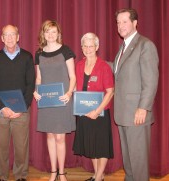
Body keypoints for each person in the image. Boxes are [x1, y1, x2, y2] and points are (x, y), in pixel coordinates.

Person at [113, 8, 159, 181]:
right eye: (118, 22)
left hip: (136, 114)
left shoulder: (145, 45)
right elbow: (119, 72)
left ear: (134, 23)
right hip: (124, 114)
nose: (120, 25)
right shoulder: (124, 47)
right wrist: (95, 62)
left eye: (124, 21)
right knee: (129, 160)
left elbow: (151, 81)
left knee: (138, 161)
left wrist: (143, 108)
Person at [0, 25, 35, 181]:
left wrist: (22, 108)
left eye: (12, 34)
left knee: (21, 148)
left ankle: (21, 175)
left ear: (18, 37)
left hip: (21, 111)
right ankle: (1, 176)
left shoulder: (27, 57)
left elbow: (30, 84)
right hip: (0, 110)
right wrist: (2, 107)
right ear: (1, 38)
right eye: (6, 35)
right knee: (0, 147)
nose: (9, 38)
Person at [33, 20, 76, 181]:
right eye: (47, 31)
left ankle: (62, 172)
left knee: (60, 137)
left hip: (62, 100)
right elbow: (39, 78)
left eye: (53, 31)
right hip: (46, 101)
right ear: (43, 34)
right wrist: (36, 92)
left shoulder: (66, 51)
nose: (50, 35)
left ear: (58, 33)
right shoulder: (39, 53)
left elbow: (72, 77)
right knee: (50, 136)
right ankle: (53, 171)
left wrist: (69, 93)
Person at [72, 33, 114, 181]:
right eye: (85, 46)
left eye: (91, 46)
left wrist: (97, 111)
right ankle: (99, 175)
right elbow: (77, 87)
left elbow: (110, 92)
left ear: (97, 47)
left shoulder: (104, 66)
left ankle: (97, 178)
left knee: (101, 146)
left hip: (100, 113)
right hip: (84, 113)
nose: (88, 49)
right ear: (82, 48)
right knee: (91, 146)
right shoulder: (79, 65)